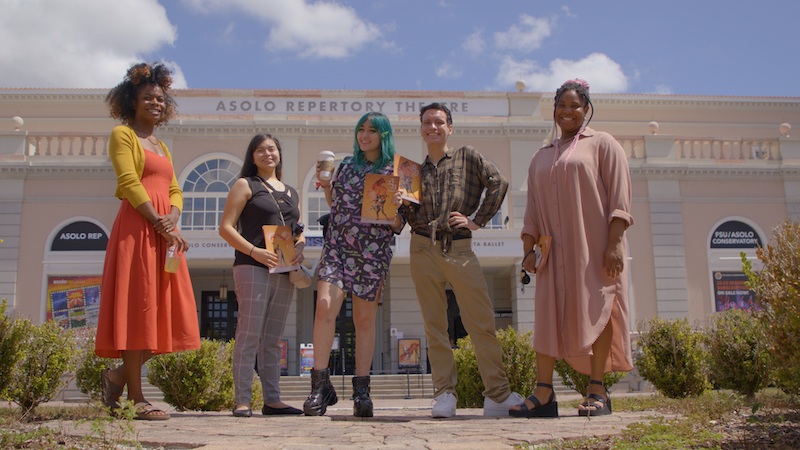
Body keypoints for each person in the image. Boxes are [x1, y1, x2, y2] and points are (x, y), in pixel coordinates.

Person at [510, 79, 634, 418]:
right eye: (561, 105)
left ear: (586, 109)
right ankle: (543, 392)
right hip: (552, 254)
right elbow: (532, 209)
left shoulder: (603, 144)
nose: (567, 111)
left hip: (593, 248)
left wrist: (614, 243)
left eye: (574, 105)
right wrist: (528, 250)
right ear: (554, 110)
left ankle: (598, 390)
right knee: (547, 316)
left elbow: (620, 198)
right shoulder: (541, 156)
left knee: (600, 308)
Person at [401, 102, 522, 418]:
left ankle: (498, 395)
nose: (433, 127)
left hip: (459, 247)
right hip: (421, 248)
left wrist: (477, 220)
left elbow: (498, 182)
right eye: (427, 122)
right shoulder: (411, 173)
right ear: (421, 129)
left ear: (449, 128)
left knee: (481, 321)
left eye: (439, 122)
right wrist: (397, 202)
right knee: (434, 326)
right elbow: (398, 221)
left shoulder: (467, 156)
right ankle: (444, 395)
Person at [95, 62, 200, 420]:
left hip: (163, 233)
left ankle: (116, 377)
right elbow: (128, 182)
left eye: (160, 98)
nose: (155, 103)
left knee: (166, 312)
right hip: (138, 229)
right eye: (147, 98)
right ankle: (136, 399)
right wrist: (160, 222)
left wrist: (174, 215)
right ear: (131, 101)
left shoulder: (161, 146)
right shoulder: (122, 135)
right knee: (137, 310)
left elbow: (174, 188)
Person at [303, 112, 404, 418]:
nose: (364, 135)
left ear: (384, 135)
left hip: (372, 250)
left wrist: (397, 205)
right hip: (337, 245)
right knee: (324, 305)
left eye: (372, 130)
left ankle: (361, 392)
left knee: (364, 320)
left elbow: (398, 224)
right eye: (361, 129)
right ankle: (320, 386)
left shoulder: (395, 170)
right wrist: (327, 187)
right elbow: (337, 206)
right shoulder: (346, 165)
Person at [219, 134, 306, 417]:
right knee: (249, 334)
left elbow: (298, 230)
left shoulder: (291, 192)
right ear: (252, 156)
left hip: (283, 268)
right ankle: (243, 400)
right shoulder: (246, 185)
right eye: (260, 150)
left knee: (272, 338)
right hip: (252, 265)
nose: (267, 153)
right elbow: (226, 227)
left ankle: (273, 400)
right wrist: (254, 251)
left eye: (272, 149)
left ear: (279, 154)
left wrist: (299, 248)